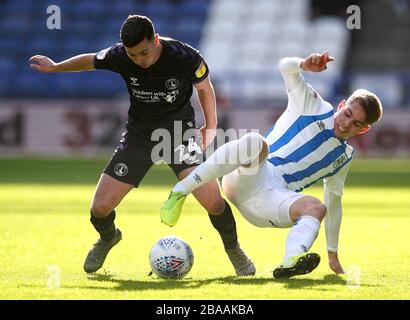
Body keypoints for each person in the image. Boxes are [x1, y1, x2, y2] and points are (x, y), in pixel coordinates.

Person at [29, 15, 255, 276]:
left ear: (156, 40)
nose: (139, 60)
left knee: (214, 202)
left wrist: (211, 125)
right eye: (133, 55)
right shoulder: (120, 55)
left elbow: (205, 89)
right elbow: (90, 60)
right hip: (139, 136)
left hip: (179, 136)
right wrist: (56, 67)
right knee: (99, 209)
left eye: (144, 52)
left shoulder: (185, 56)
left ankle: (234, 250)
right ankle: (108, 238)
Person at [161, 51, 383, 279]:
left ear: (364, 129)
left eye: (356, 123)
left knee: (317, 208)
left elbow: (334, 203)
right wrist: (304, 64)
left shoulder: (343, 157)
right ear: (342, 104)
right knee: (257, 144)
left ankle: (290, 261)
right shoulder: (314, 105)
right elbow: (285, 66)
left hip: (269, 202)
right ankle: (180, 191)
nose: (346, 124)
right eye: (347, 114)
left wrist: (333, 253)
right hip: (248, 176)